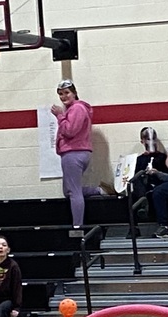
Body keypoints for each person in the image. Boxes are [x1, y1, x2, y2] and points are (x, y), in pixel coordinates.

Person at [52, 79, 105, 228]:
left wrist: (59, 116)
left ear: (74, 93)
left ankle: (77, 227)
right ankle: (98, 190)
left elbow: (69, 131)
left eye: (67, 93)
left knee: (74, 192)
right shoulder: (76, 109)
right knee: (68, 190)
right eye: (61, 94)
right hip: (76, 152)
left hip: (74, 152)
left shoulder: (77, 109)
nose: (63, 97)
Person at [129, 126, 168, 228]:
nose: (151, 142)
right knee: (132, 190)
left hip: (159, 186)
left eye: (153, 139)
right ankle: (134, 227)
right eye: (148, 139)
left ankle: (145, 205)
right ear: (142, 141)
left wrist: (157, 173)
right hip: (143, 188)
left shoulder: (163, 158)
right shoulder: (138, 160)